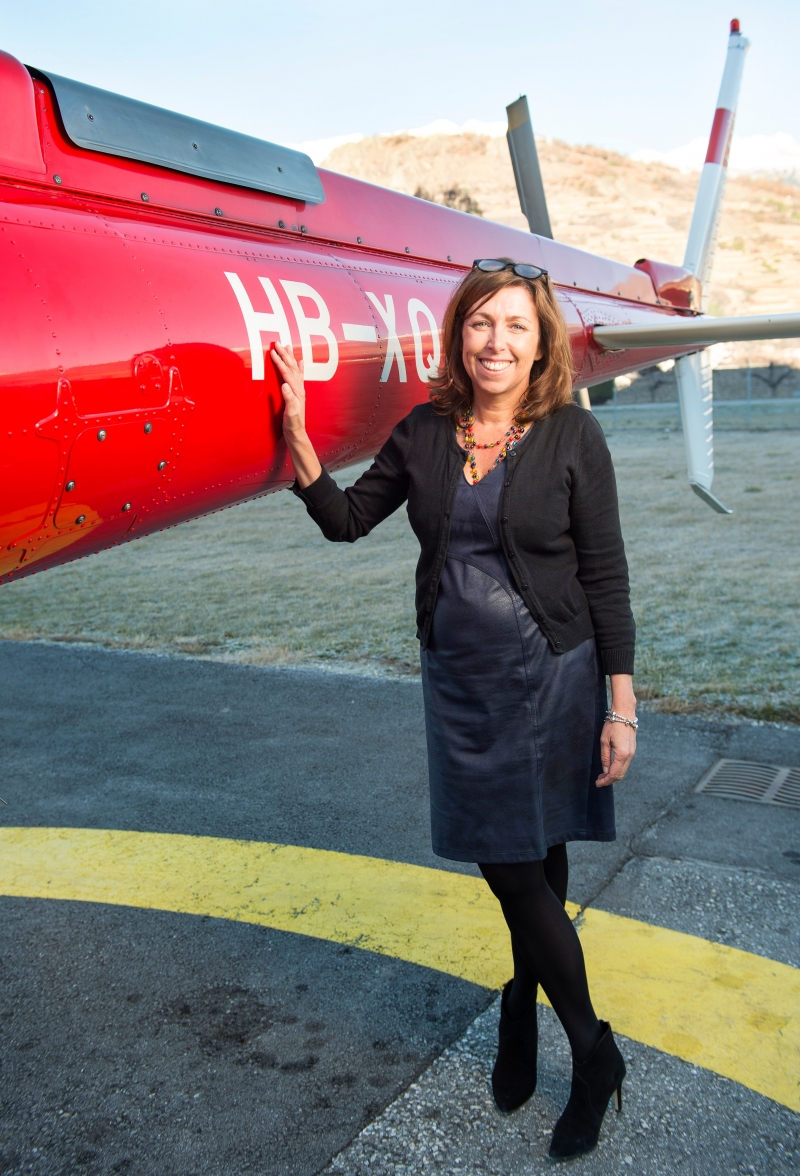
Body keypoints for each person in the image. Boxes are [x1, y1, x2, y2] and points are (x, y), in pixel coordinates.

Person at [274, 258, 637, 1162]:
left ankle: (590, 1053)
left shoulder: (570, 439)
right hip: (464, 683)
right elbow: (349, 520)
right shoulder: (426, 432)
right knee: (517, 858)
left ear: (540, 339)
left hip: (554, 677)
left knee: (525, 858)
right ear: (459, 335)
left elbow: (605, 576)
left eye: (515, 325)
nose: (497, 342)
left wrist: (620, 705)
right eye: (481, 324)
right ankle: (525, 1003)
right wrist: (300, 445)